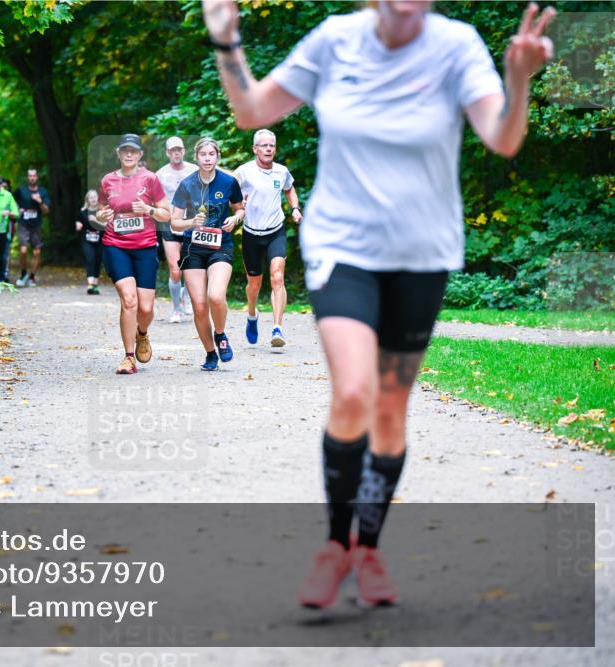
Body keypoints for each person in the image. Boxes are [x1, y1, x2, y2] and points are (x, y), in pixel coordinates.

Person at [203, 0, 555, 607]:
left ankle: (367, 547)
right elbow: (251, 110)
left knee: (390, 409)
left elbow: (502, 137)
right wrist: (227, 40)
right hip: (344, 248)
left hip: (422, 255)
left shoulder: (456, 46)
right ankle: (335, 546)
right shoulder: (335, 40)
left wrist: (518, 78)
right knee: (354, 393)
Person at [96, 134, 172, 375]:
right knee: (129, 300)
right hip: (115, 244)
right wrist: (101, 217)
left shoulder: (150, 179)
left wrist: (148, 209)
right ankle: (129, 357)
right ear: (118, 153)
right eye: (125, 151)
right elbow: (99, 212)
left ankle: (142, 333)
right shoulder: (107, 181)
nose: (129, 155)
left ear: (140, 155)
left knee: (146, 308)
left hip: (145, 246)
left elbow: (166, 214)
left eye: (134, 151)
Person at [170, 138, 244, 371]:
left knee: (215, 296)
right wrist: (192, 222)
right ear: (197, 157)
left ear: (217, 156)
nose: (208, 158)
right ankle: (211, 353)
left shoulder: (229, 182)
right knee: (200, 305)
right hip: (193, 249)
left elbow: (240, 207)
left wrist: (235, 218)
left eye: (212, 154)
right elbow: (174, 221)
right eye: (203, 154)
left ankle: (220, 334)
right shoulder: (187, 184)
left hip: (221, 245)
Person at [232, 129, 302, 347]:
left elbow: (290, 190)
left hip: (275, 231)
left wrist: (295, 208)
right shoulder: (243, 172)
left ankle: (277, 327)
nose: (268, 149)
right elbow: (228, 192)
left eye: (271, 145)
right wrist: (236, 204)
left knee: (277, 276)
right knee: (254, 285)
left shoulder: (281, 172)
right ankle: (252, 315)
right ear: (255, 149)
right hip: (252, 234)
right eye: (264, 145)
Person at [155, 137, 199, 323]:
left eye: (179, 149)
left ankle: (186, 296)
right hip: (169, 224)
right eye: (172, 150)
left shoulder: (194, 170)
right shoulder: (160, 174)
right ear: (167, 153)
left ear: (183, 151)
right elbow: (155, 200)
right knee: (175, 270)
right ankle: (176, 310)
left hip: (191, 223)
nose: (176, 153)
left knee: (189, 267)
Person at [13, 168, 51, 287]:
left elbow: (46, 211)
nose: (32, 177)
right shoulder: (21, 190)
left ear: (37, 177)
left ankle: (32, 277)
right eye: (30, 176)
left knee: (36, 252)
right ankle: (23, 273)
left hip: (36, 225)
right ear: (27, 177)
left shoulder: (43, 192)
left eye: (34, 175)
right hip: (23, 223)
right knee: (23, 250)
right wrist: (17, 209)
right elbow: (11, 200)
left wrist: (39, 201)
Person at [76, 189, 104, 295]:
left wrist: (96, 221)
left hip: (100, 240)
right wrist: (78, 225)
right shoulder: (83, 212)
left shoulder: (102, 212)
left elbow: (106, 226)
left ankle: (95, 285)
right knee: (90, 259)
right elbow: (78, 221)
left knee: (97, 261)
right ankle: (90, 284)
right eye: (91, 197)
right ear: (87, 199)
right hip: (86, 240)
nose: (93, 199)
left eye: (95, 197)